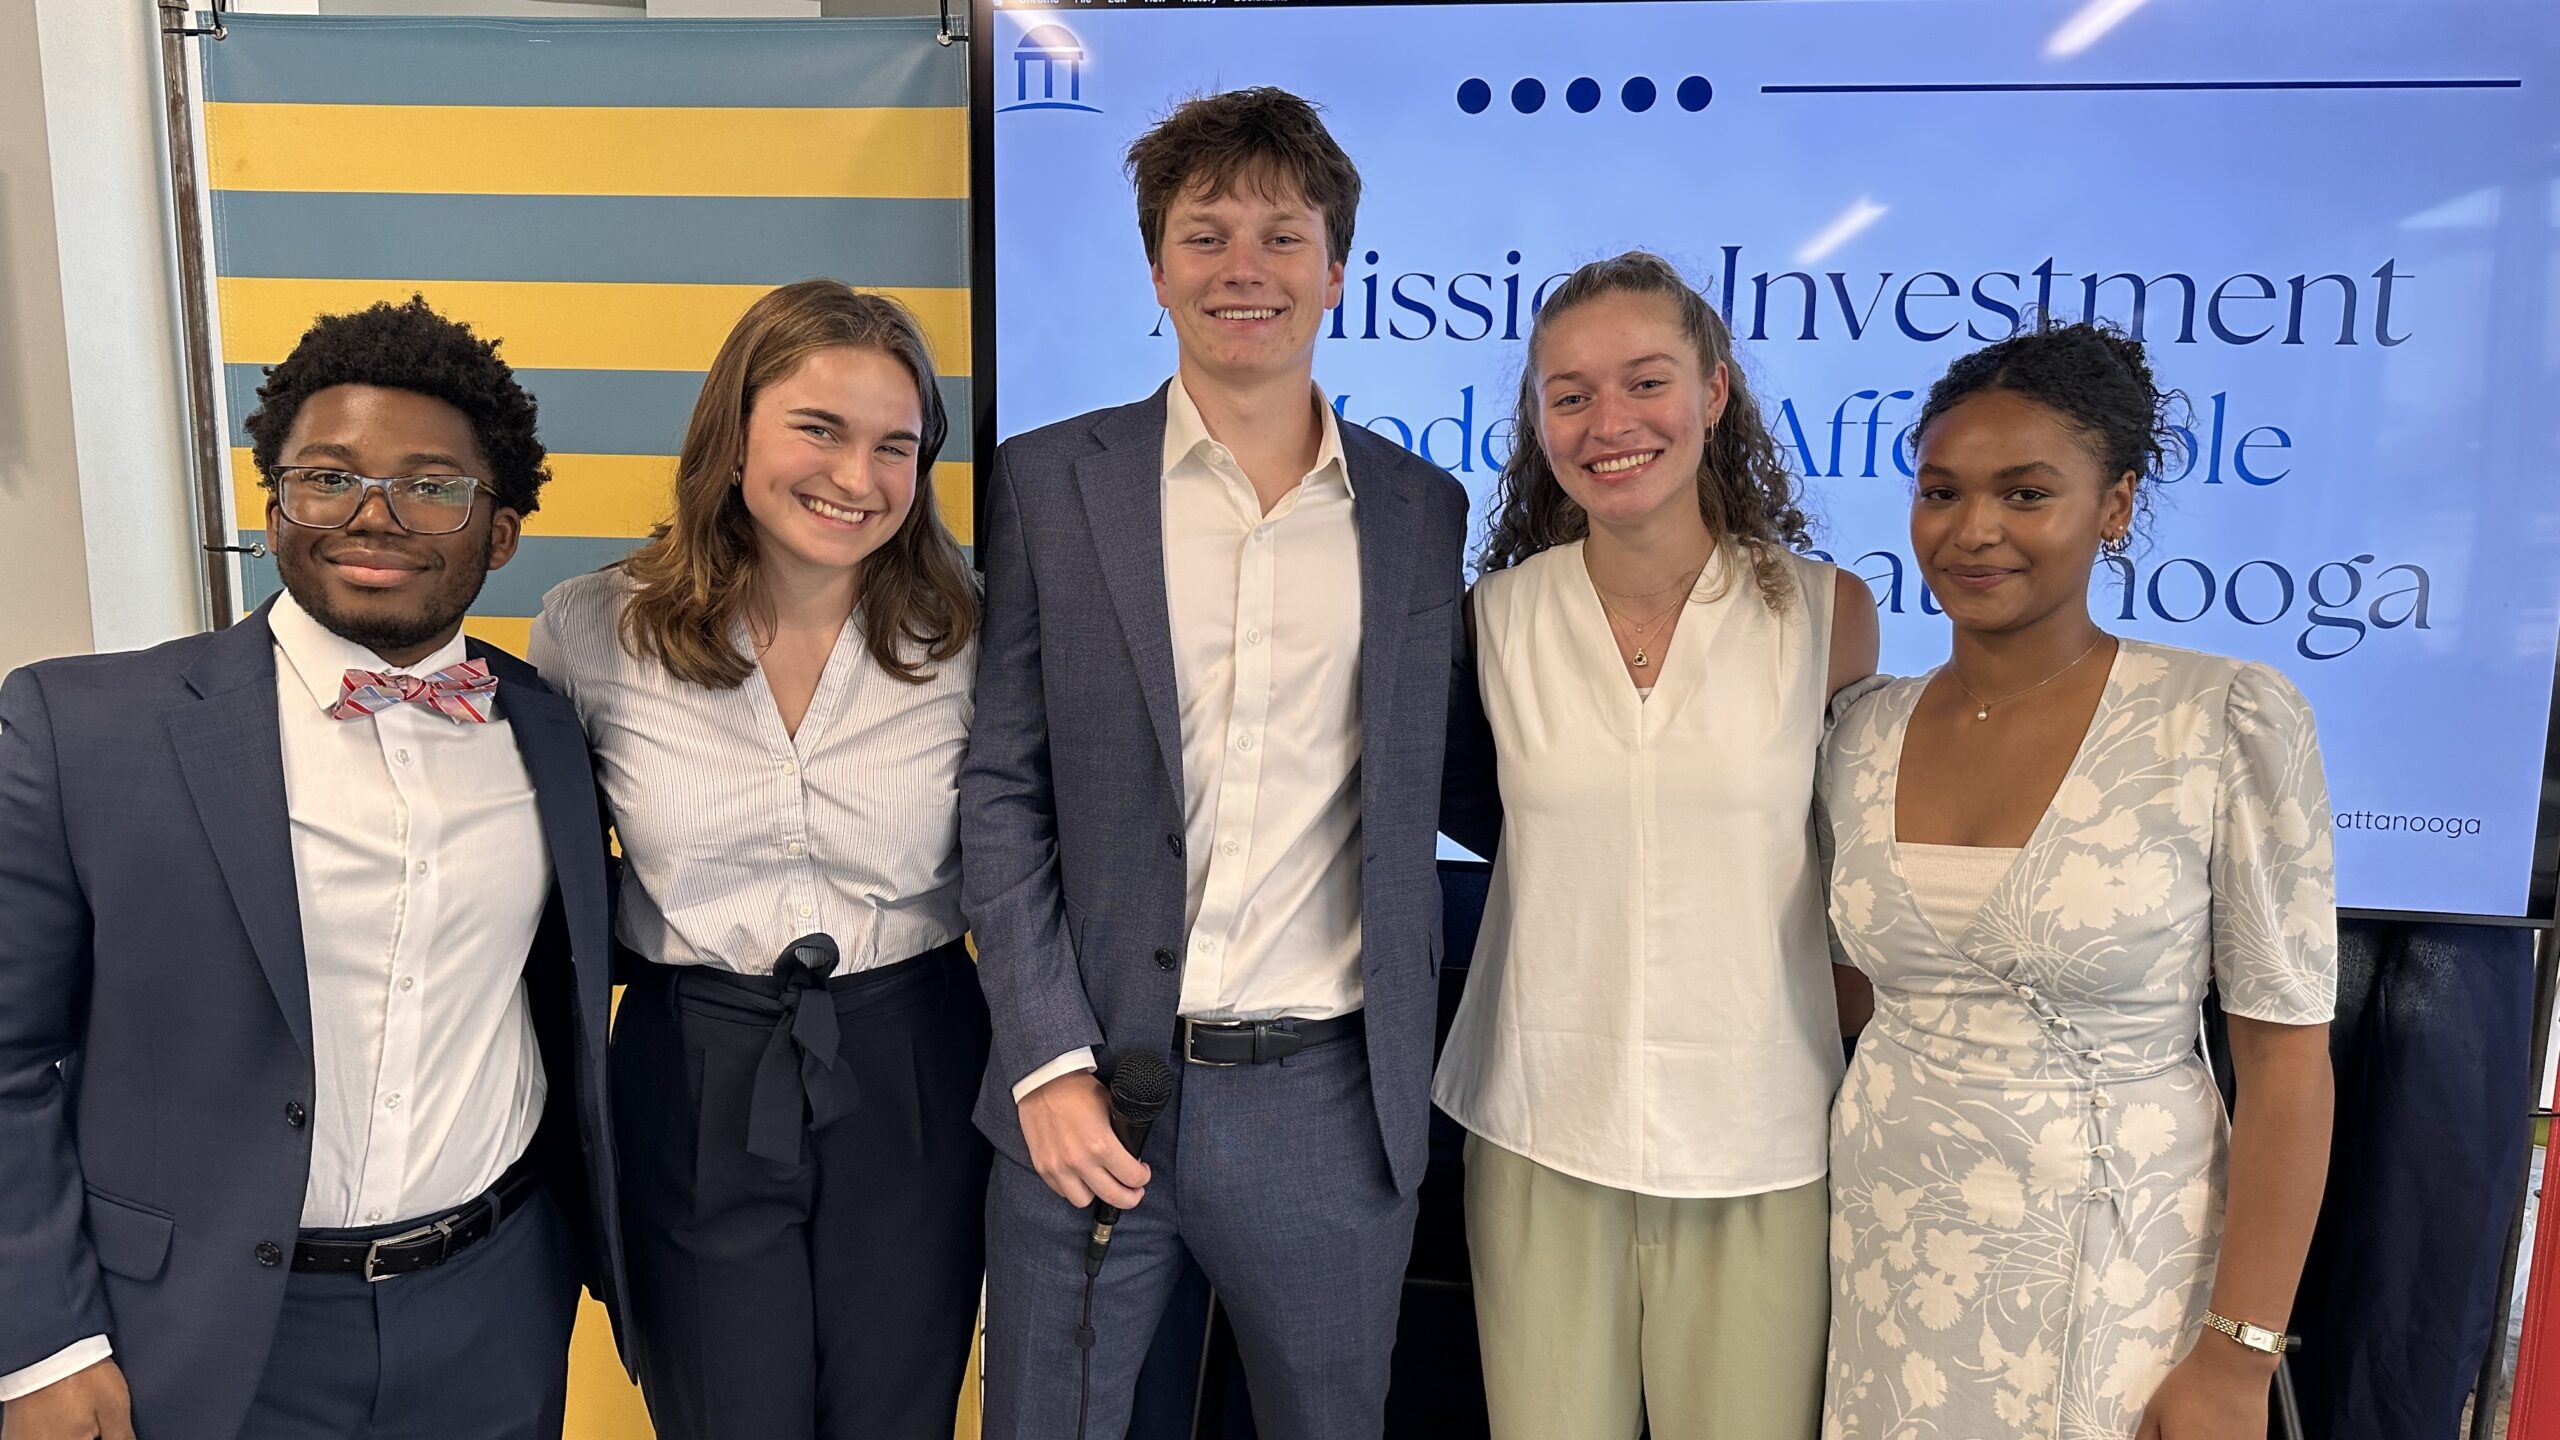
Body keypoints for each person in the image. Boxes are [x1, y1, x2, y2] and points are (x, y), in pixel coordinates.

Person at [0, 297, 624, 1440]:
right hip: (196, 1335)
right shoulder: (84, 729)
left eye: (432, 486)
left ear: (500, 531)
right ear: (273, 501)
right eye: (329, 477)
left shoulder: (547, 730)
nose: (374, 518)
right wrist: (41, 1341)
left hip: (496, 1308)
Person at [960, 87, 1469, 1440]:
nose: (1245, 268)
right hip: (1088, 1093)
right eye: (1207, 235)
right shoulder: (1049, 485)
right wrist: (1045, 1060)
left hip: (1327, 1102)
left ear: (1337, 272)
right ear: (1156, 270)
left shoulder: (1421, 513)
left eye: (1282, 236)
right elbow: (1001, 788)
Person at [1818, 321, 2336, 1439]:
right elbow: (1851, 993)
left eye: (2025, 493)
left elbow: (2287, 1065)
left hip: (2115, 1272)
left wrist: (2237, 1358)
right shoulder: (1859, 732)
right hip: (1889, 1254)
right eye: (1941, 491)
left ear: (2114, 507)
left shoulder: (2218, 720)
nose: (1973, 530)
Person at [527, 281, 986, 1440]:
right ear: (734, 433)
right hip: (693, 1063)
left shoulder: (977, 629)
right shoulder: (592, 629)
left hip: (913, 1055)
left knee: (899, 1410)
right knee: (725, 1413)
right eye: (819, 430)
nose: (857, 476)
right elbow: (550, 890)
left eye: (896, 446)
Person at [1430, 251, 1878, 1439]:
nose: (1608, 422)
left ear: (1715, 392)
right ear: (1535, 417)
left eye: (1646, 382)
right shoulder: (1494, 621)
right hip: (1538, 1123)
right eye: (1569, 394)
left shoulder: (1826, 612)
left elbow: (1852, 883)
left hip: (1760, 1135)